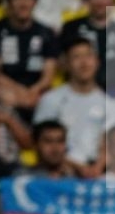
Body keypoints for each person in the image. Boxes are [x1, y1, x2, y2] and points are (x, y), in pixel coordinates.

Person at [32, 40, 106, 172]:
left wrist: (97, 168)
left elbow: (113, 145)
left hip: (99, 172)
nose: (84, 63)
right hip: (60, 171)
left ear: (97, 61)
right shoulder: (51, 100)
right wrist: (79, 168)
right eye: (76, 57)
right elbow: (41, 143)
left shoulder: (109, 103)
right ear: (65, 64)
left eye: (88, 56)